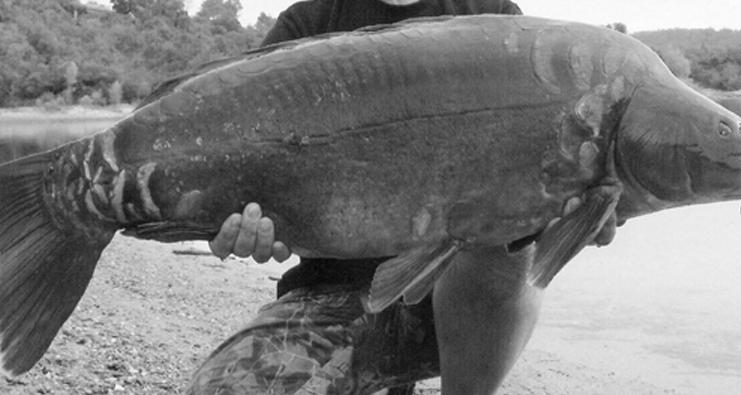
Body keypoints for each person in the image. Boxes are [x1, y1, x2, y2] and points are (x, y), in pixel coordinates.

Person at [189, 1, 617, 394]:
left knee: (501, 231)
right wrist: (219, 211)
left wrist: (582, 213)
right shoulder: (308, 24)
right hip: (332, 297)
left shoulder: (492, 14)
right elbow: (240, 154)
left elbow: (545, 185)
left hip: (461, 307)